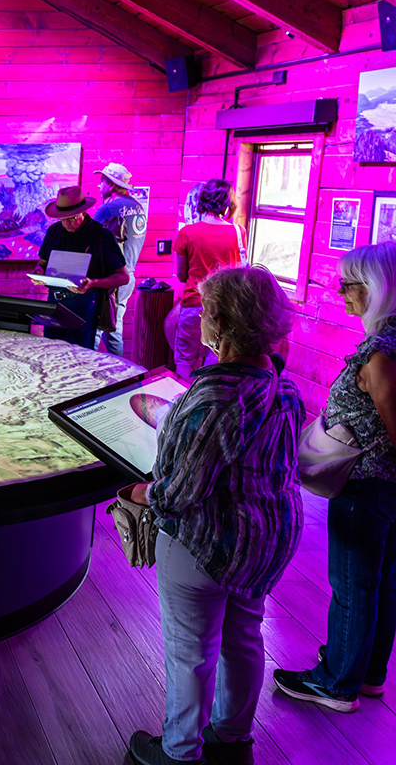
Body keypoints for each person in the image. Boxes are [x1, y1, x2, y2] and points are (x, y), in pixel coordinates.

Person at [123, 266, 303, 765]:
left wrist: (138, 491)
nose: (199, 318)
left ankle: (179, 753)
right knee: (245, 637)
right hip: (264, 542)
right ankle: (232, 741)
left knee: (190, 650)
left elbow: (177, 494)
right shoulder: (283, 389)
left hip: (206, 545)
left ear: (219, 324)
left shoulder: (211, 396)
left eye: (205, 311)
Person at [274, 241, 396, 713]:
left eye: (350, 284)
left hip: (369, 483)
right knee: (382, 577)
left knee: (353, 583)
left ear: (378, 289)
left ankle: (336, 682)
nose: (342, 291)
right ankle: (368, 673)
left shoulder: (382, 354)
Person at [32, 185, 129, 350]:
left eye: (71, 218)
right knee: (51, 353)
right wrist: (39, 272)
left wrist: (94, 282)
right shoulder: (54, 232)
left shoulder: (101, 236)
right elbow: (42, 263)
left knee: (80, 356)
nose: (66, 224)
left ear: (83, 212)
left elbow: (123, 277)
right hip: (55, 302)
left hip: (85, 304)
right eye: (62, 219)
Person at [172, 179, 243, 378]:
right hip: (224, 307)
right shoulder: (238, 233)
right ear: (229, 203)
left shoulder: (187, 233)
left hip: (194, 303)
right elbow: (239, 272)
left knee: (185, 359)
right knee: (216, 361)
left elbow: (181, 274)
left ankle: (185, 402)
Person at [92, 163, 147, 357]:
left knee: (95, 329)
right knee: (114, 330)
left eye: (102, 181)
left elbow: (88, 239)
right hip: (128, 275)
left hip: (110, 278)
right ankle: (121, 377)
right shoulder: (138, 207)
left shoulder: (108, 209)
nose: (99, 186)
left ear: (112, 185)